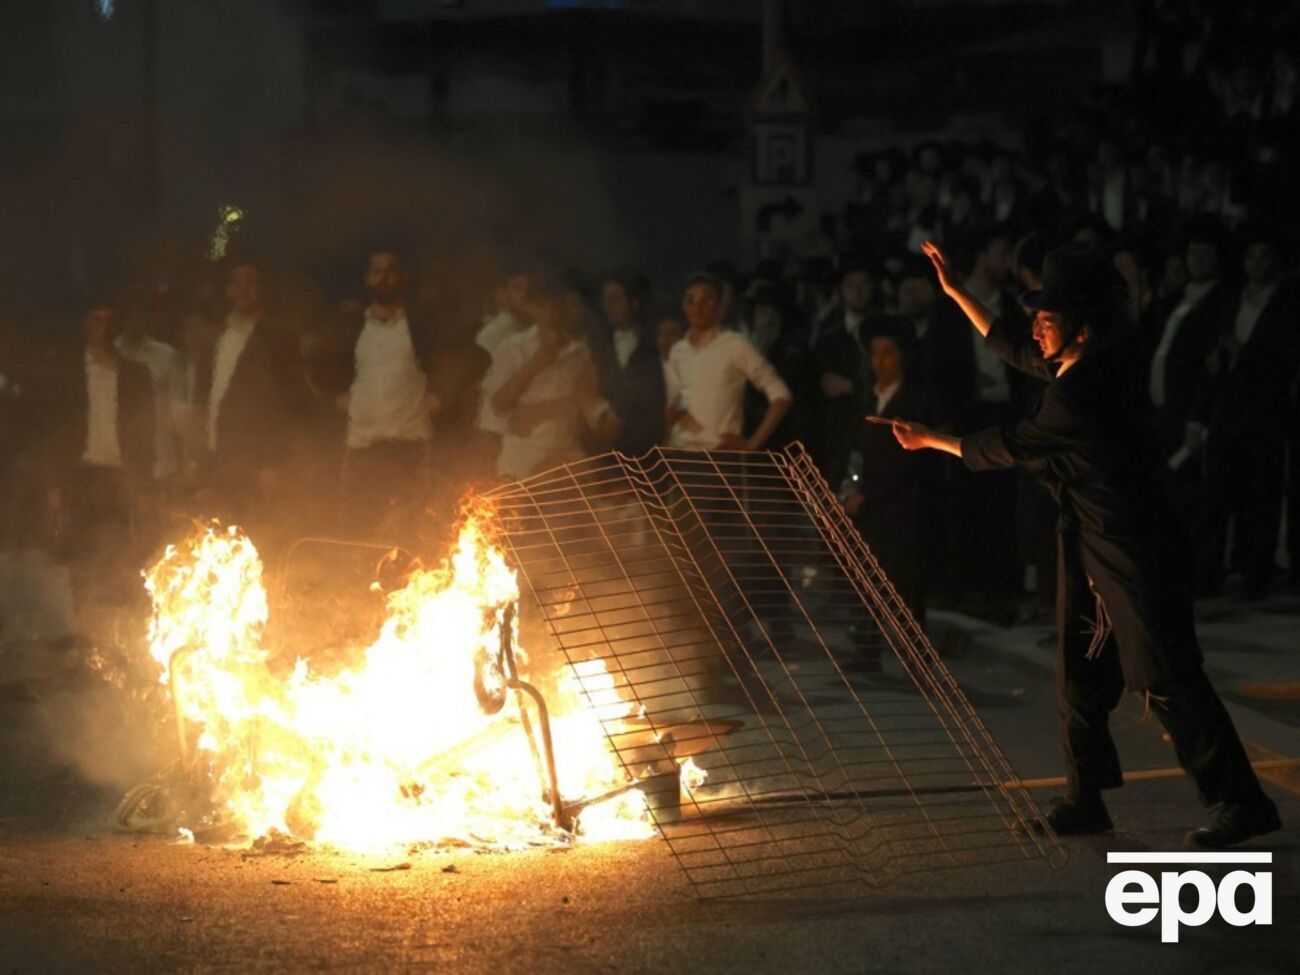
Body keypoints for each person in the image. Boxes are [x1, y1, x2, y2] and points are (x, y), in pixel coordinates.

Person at [883, 240, 1280, 848]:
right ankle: (1085, 799)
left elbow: (1005, 445)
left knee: (1163, 672)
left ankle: (1239, 801)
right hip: (1088, 536)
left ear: (1084, 331)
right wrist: (959, 290)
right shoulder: (1081, 362)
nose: (1036, 329)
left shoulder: (1079, 393)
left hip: (1133, 544)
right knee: (1079, 672)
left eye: (1049, 319)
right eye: (1038, 316)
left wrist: (930, 439)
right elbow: (1013, 346)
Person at [479, 276, 619, 480]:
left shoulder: (579, 352)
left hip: (567, 465)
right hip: (522, 470)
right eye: (543, 305)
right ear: (533, 308)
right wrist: (540, 360)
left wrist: (603, 417)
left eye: (557, 305)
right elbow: (498, 405)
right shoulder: (512, 349)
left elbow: (589, 399)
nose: (551, 313)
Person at [337, 248, 438, 523]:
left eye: (390, 270)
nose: (383, 278)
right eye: (376, 270)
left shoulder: (419, 326)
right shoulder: (354, 325)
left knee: (408, 537)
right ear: (367, 278)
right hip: (361, 448)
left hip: (409, 447)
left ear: (402, 277)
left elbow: (455, 362)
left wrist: (441, 397)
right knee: (358, 534)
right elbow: (329, 366)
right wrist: (338, 396)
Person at [196, 258, 300, 523]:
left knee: (258, 538)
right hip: (216, 455)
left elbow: (287, 406)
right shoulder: (215, 338)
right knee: (214, 540)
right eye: (237, 283)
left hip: (256, 460)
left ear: (261, 288)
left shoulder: (278, 339)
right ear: (228, 289)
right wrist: (199, 457)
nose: (243, 290)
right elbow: (203, 399)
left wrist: (272, 464)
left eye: (250, 283)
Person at [665, 272, 791, 453]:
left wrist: (752, 444)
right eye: (691, 300)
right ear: (683, 305)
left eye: (706, 301)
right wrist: (674, 414)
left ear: (719, 305)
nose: (697, 308)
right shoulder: (678, 351)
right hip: (680, 454)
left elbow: (780, 395)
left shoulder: (735, 345)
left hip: (720, 455)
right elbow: (675, 402)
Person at [589, 270, 666, 456]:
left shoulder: (654, 345)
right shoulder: (596, 345)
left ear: (634, 302)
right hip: (605, 450)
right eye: (605, 300)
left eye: (615, 299)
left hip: (647, 450)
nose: (608, 307)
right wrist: (602, 417)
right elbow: (587, 390)